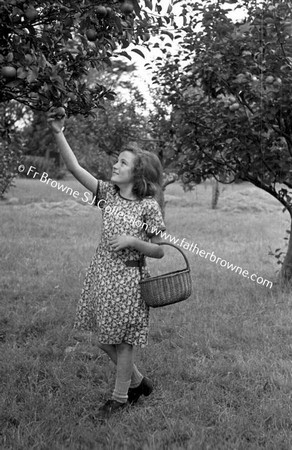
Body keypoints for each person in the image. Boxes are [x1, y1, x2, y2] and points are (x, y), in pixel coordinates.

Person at [47, 109, 166, 420]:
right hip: (103, 277)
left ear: (138, 174)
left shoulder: (148, 206)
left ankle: (120, 398)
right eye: (117, 160)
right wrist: (59, 132)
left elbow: (160, 251)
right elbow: (74, 168)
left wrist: (133, 242)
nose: (115, 165)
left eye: (123, 162)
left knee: (124, 343)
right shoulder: (108, 195)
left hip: (129, 283)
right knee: (103, 339)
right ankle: (139, 384)